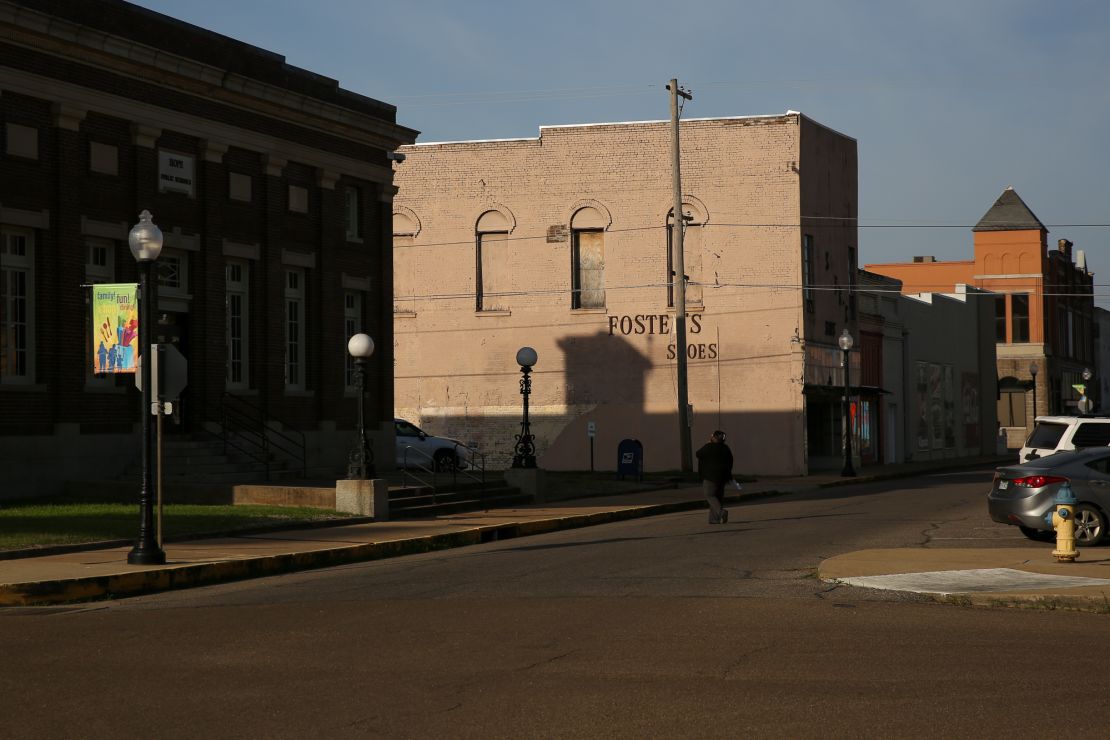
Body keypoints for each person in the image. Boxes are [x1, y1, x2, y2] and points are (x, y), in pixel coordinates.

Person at [696, 430, 734, 524]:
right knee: (718, 497)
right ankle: (714, 519)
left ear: (714, 437)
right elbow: (730, 461)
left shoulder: (708, 447)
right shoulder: (726, 448)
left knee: (710, 495)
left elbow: (698, 454)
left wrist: (708, 443)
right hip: (723, 477)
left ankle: (721, 512)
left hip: (710, 477)